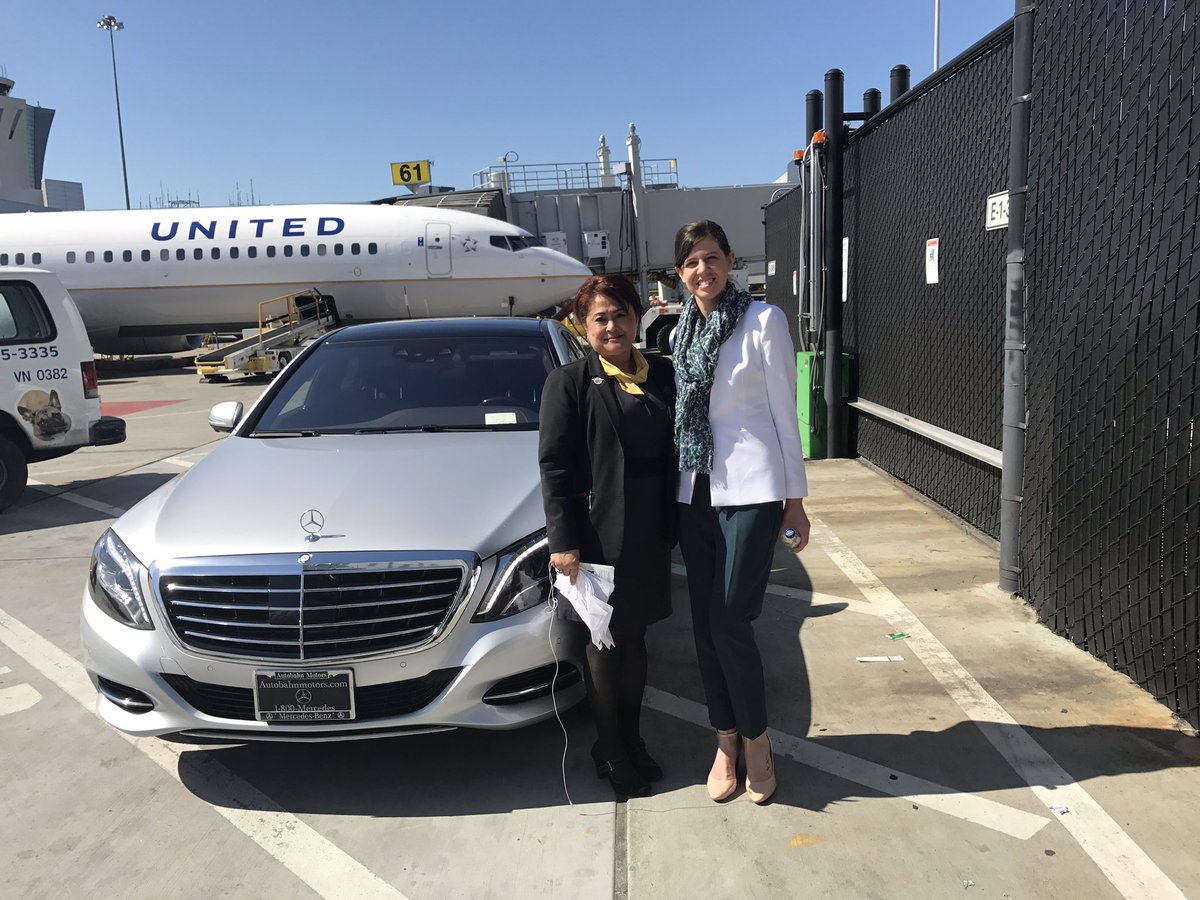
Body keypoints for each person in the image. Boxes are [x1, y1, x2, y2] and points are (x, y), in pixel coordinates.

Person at [671, 219, 810, 805]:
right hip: (694, 489)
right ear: (679, 274)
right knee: (704, 626)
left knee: (730, 618)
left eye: (709, 258)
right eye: (690, 263)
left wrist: (796, 501)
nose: (701, 271)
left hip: (752, 489)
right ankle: (724, 740)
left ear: (730, 260)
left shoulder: (762, 321)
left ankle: (757, 741)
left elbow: (784, 410)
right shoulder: (677, 332)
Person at [538, 274, 678, 798]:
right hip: (595, 537)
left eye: (621, 314)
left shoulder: (662, 375)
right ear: (583, 326)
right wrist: (563, 541)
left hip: (649, 528)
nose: (613, 326)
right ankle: (611, 749)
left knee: (637, 640)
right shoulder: (570, 382)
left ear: (637, 316)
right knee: (603, 643)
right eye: (601, 318)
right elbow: (554, 467)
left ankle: (632, 739)